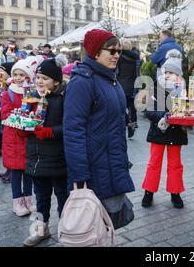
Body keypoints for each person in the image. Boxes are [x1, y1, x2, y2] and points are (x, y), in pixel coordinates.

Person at [63, 29, 135, 229]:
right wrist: (80, 175)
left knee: (109, 225)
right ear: (95, 52)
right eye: (112, 51)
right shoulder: (82, 82)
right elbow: (73, 131)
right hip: (94, 170)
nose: (117, 55)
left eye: (119, 51)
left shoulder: (110, 78)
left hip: (112, 163)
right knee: (93, 226)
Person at [23, 55, 69, 247]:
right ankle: (41, 230)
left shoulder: (63, 100)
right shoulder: (31, 98)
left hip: (58, 159)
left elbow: (70, 126)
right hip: (36, 159)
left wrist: (51, 132)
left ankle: (67, 231)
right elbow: (25, 121)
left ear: (56, 81)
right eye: (38, 78)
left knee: (63, 198)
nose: (39, 82)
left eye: (45, 78)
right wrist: (21, 128)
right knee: (40, 198)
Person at [141, 56, 187, 209]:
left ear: (178, 75)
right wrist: (162, 117)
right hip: (158, 131)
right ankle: (148, 192)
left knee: (175, 164)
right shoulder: (156, 88)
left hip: (176, 133)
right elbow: (149, 110)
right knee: (154, 163)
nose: (167, 75)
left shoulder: (184, 90)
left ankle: (175, 192)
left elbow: (188, 110)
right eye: (166, 71)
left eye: (172, 72)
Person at [1, 59, 36, 217]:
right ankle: (17, 200)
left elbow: (36, 111)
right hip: (13, 139)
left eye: (22, 74)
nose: (18, 77)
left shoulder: (32, 93)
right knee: (16, 171)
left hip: (28, 138)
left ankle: (28, 198)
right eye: (16, 74)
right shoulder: (7, 93)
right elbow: (5, 114)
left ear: (28, 77)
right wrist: (20, 118)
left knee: (28, 171)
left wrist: (32, 118)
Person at [0, 62, 16, 183]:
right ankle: (9, 170)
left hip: (12, 122)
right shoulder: (5, 84)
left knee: (12, 148)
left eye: (1, 71)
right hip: (6, 121)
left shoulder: (13, 86)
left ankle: (12, 172)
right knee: (6, 147)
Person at [117, 39, 140, 138]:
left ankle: (128, 124)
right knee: (132, 107)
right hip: (134, 85)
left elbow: (116, 71)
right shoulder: (136, 57)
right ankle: (133, 124)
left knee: (121, 107)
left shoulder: (119, 57)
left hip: (121, 85)